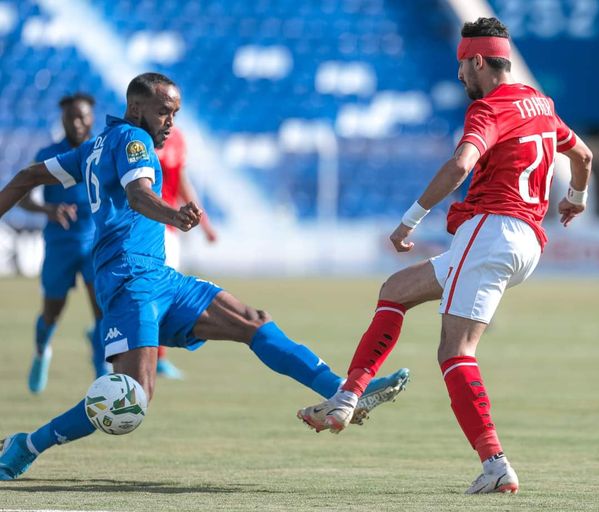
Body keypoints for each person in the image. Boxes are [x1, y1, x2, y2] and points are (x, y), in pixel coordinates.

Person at [0, 72, 409, 480]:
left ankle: (343, 392)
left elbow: (27, 177)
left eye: (175, 113)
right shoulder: (133, 140)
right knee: (131, 399)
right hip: (130, 283)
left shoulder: (92, 147)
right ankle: (28, 444)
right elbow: (139, 195)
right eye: (163, 111)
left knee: (253, 321)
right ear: (136, 108)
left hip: (158, 277)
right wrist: (174, 214)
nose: (170, 122)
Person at [298, 17, 592, 495]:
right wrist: (575, 199)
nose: (460, 77)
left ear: (478, 60)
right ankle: (349, 396)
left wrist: (409, 219)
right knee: (395, 290)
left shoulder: (490, 109)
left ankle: (495, 464)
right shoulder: (542, 105)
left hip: (493, 229)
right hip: (523, 242)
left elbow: (461, 164)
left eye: (462, 66)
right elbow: (584, 157)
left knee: (455, 352)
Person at [18, 92, 108, 393]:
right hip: (60, 244)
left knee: (103, 310)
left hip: (96, 243)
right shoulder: (48, 154)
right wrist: (49, 210)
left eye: (83, 116)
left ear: (92, 118)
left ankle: (101, 374)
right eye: (72, 117)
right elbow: (25, 196)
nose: (78, 122)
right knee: (52, 311)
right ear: (63, 120)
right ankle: (42, 351)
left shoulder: (103, 150)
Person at [153, 127, 218, 379]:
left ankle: (158, 358)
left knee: (162, 296)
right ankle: (109, 341)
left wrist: (206, 225)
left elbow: (181, 182)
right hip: (140, 227)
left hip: (168, 229)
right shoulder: (138, 135)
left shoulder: (178, 137)